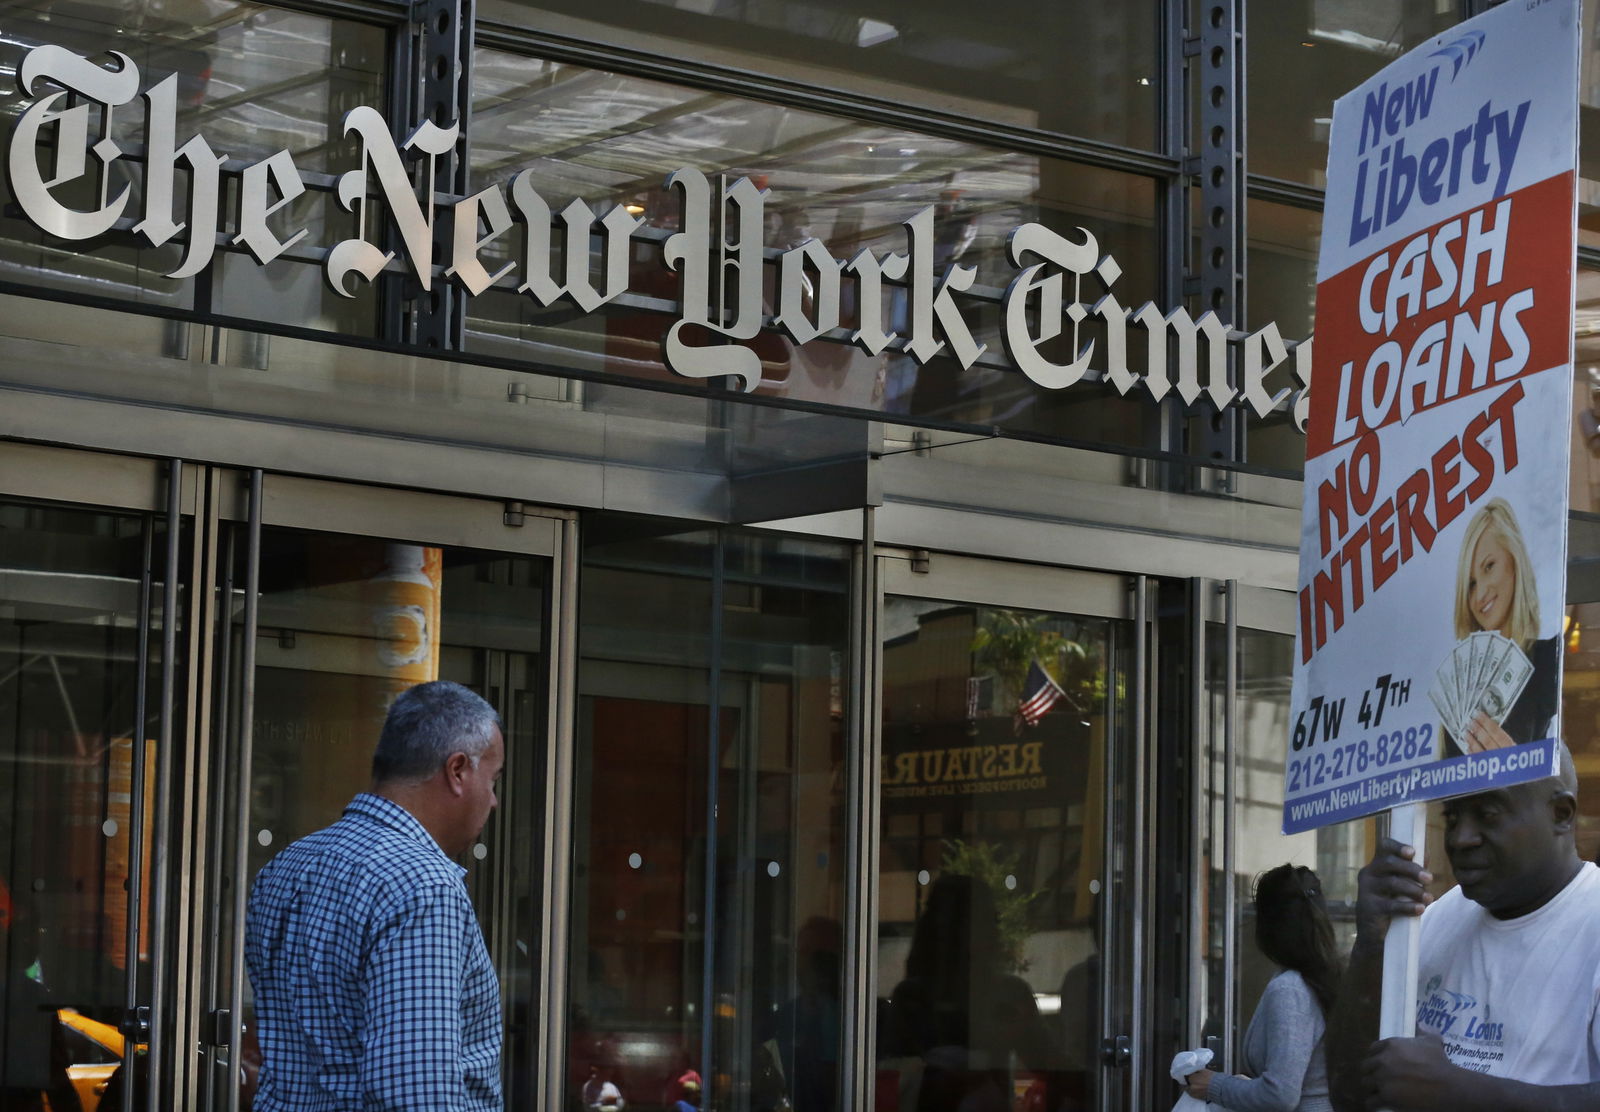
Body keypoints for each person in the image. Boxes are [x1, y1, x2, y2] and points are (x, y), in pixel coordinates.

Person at [245, 680, 505, 1111]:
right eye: (492, 779)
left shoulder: (287, 867)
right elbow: (416, 1095)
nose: (493, 800)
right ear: (457, 770)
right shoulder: (424, 885)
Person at [1325, 744, 1600, 1111]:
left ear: (1561, 815)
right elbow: (1349, 1095)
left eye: (1487, 814)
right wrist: (1372, 948)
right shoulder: (1435, 919)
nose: (1460, 838)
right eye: (1452, 817)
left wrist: (1460, 1092)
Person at [1184, 865, 1338, 1111]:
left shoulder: (1290, 989)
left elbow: (1280, 1095)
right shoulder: (1325, 977)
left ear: (1266, 924)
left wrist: (1214, 1084)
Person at [1444, 498, 1559, 755]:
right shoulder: (1458, 689)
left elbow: (1560, 778)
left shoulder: (1551, 660)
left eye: (1489, 566)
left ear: (1514, 558)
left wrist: (1516, 768)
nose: (1480, 593)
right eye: (1471, 583)